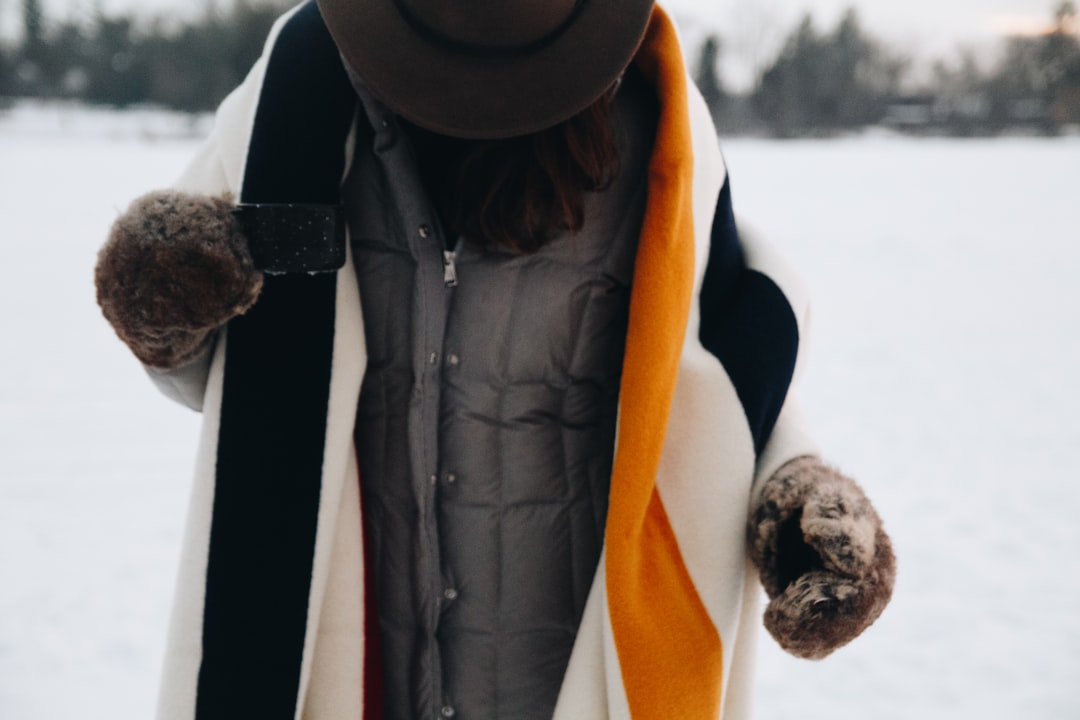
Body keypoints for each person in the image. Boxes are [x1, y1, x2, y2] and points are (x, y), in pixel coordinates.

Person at [94, 2, 895, 719]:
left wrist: (795, 502)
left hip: (564, 682)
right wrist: (170, 309)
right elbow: (224, 380)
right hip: (355, 675)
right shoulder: (298, 95)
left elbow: (719, 365)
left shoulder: (654, 122)